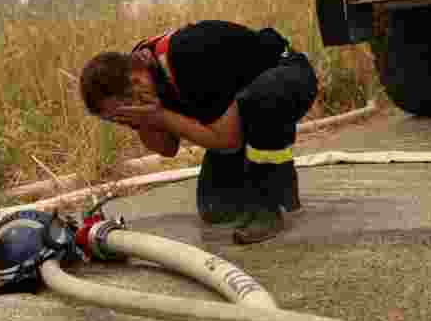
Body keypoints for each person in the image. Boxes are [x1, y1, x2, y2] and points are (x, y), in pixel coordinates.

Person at [79, 20, 318, 244]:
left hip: (287, 74)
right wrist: (144, 120)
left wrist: (159, 116)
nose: (123, 119)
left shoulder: (187, 57)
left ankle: (269, 202)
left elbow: (228, 140)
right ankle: (274, 178)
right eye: (116, 119)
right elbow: (168, 148)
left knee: (262, 99)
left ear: (135, 81)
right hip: (238, 111)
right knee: (216, 209)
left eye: (121, 112)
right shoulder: (142, 74)